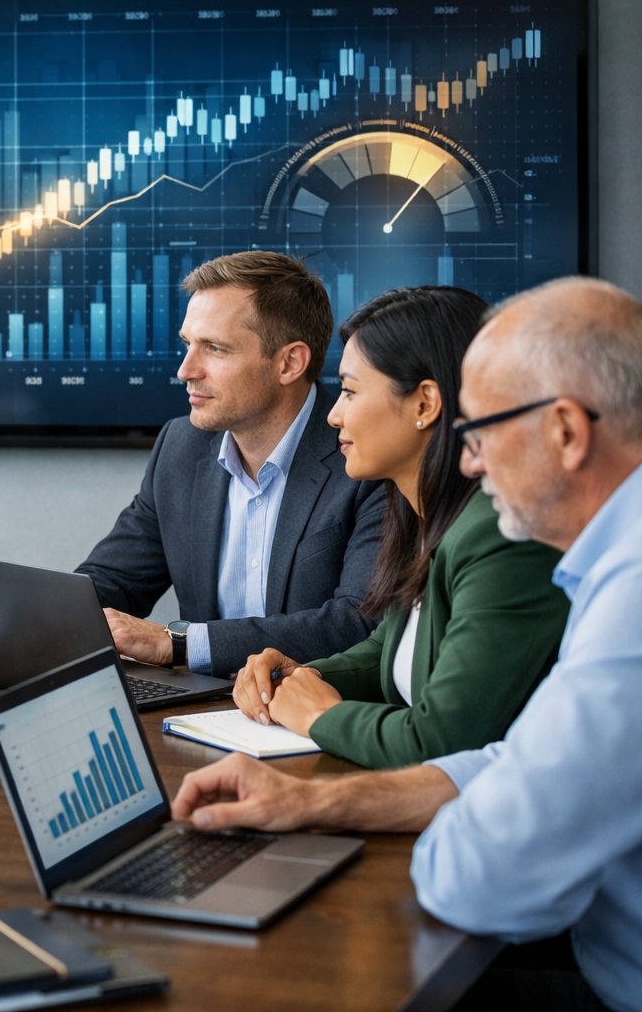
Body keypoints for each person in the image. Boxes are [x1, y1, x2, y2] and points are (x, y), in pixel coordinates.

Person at [173, 277, 642, 1012]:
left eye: (482, 428)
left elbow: (484, 880)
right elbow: (500, 760)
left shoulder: (623, 588)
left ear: (566, 432)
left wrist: (321, 726)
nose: (472, 460)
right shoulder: (596, 554)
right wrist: (311, 801)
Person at [230, 287, 567, 767]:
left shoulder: (501, 535)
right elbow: (387, 647)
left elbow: (441, 741)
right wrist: (295, 678)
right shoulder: (420, 514)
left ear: (425, 403)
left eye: (349, 390)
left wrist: (321, 716)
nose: (333, 414)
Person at [77, 251, 385, 676]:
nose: (186, 370)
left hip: (310, 716)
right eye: (188, 344)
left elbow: (359, 623)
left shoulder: (367, 454)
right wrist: (50, 621)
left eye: (215, 349)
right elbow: (115, 580)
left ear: (290, 363)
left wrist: (177, 644)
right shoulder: (180, 446)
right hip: (194, 713)